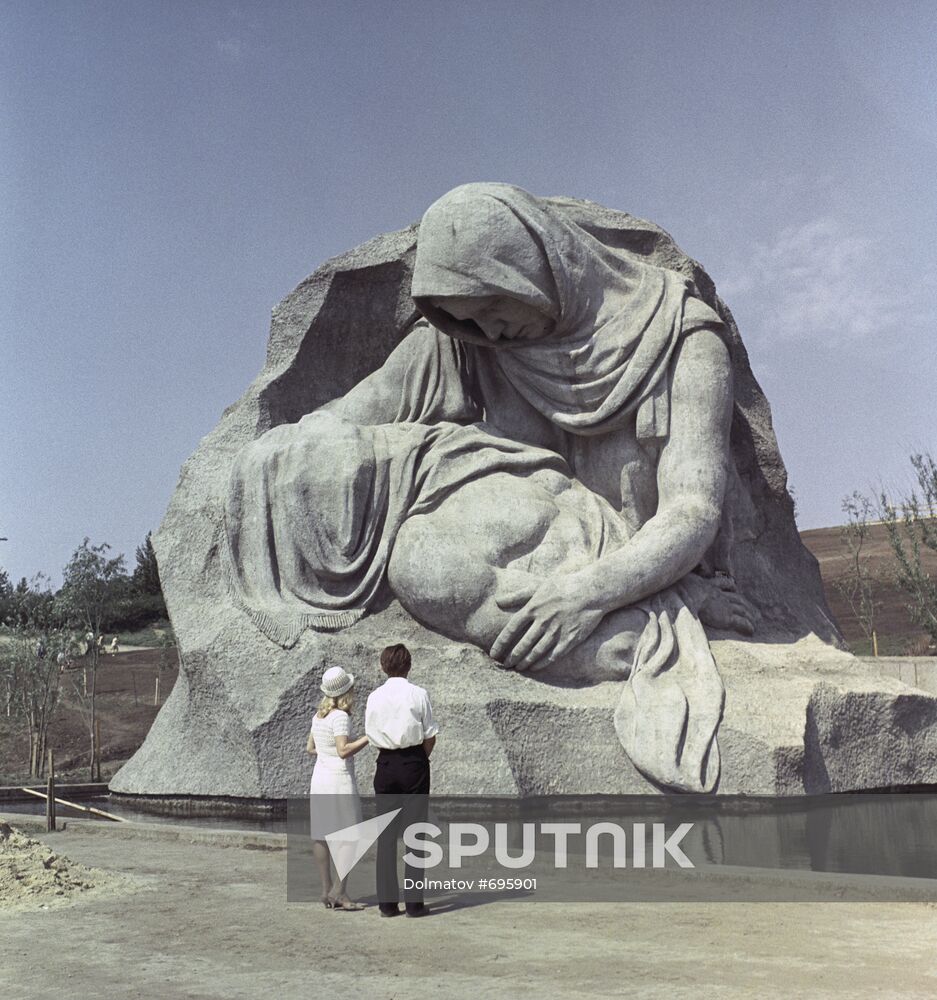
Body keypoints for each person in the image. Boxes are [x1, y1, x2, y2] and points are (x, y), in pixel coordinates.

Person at [365, 643, 438, 917]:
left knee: (386, 837)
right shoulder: (418, 694)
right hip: (413, 761)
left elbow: (371, 733)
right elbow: (430, 734)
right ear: (408, 665)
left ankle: (387, 903)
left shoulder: (374, 696)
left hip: (385, 762)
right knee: (416, 834)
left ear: (384, 666)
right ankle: (414, 904)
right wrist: (420, 759)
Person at [307, 665, 369, 911]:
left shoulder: (318, 716)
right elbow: (344, 750)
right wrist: (368, 738)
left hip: (319, 778)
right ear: (347, 690)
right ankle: (340, 892)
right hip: (339, 780)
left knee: (321, 835)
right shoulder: (341, 717)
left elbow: (310, 749)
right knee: (350, 837)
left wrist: (327, 753)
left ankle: (326, 889)